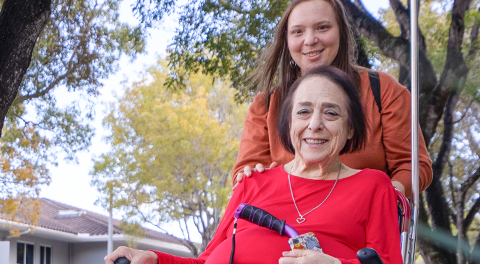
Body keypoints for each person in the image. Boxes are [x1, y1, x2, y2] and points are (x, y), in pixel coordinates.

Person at [104, 66, 403, 264]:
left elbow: (387, 261)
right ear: (288, 125)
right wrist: (155, 259)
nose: (315, 124)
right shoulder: (253, 182)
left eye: (331, 114)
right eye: (303, 112)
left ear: (351, 129)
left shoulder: (372, 185)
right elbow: (206, 260)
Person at [232, 0, 433, 198]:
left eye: (322, 27)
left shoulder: (383, 90)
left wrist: (383, 199)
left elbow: (414, 165)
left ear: (341, 33)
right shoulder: (265, 106)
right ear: (286, 40)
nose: (310, 40)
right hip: (288, 225)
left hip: (364, 224)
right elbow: (245, 172)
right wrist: (252, 176)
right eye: (298, 31)